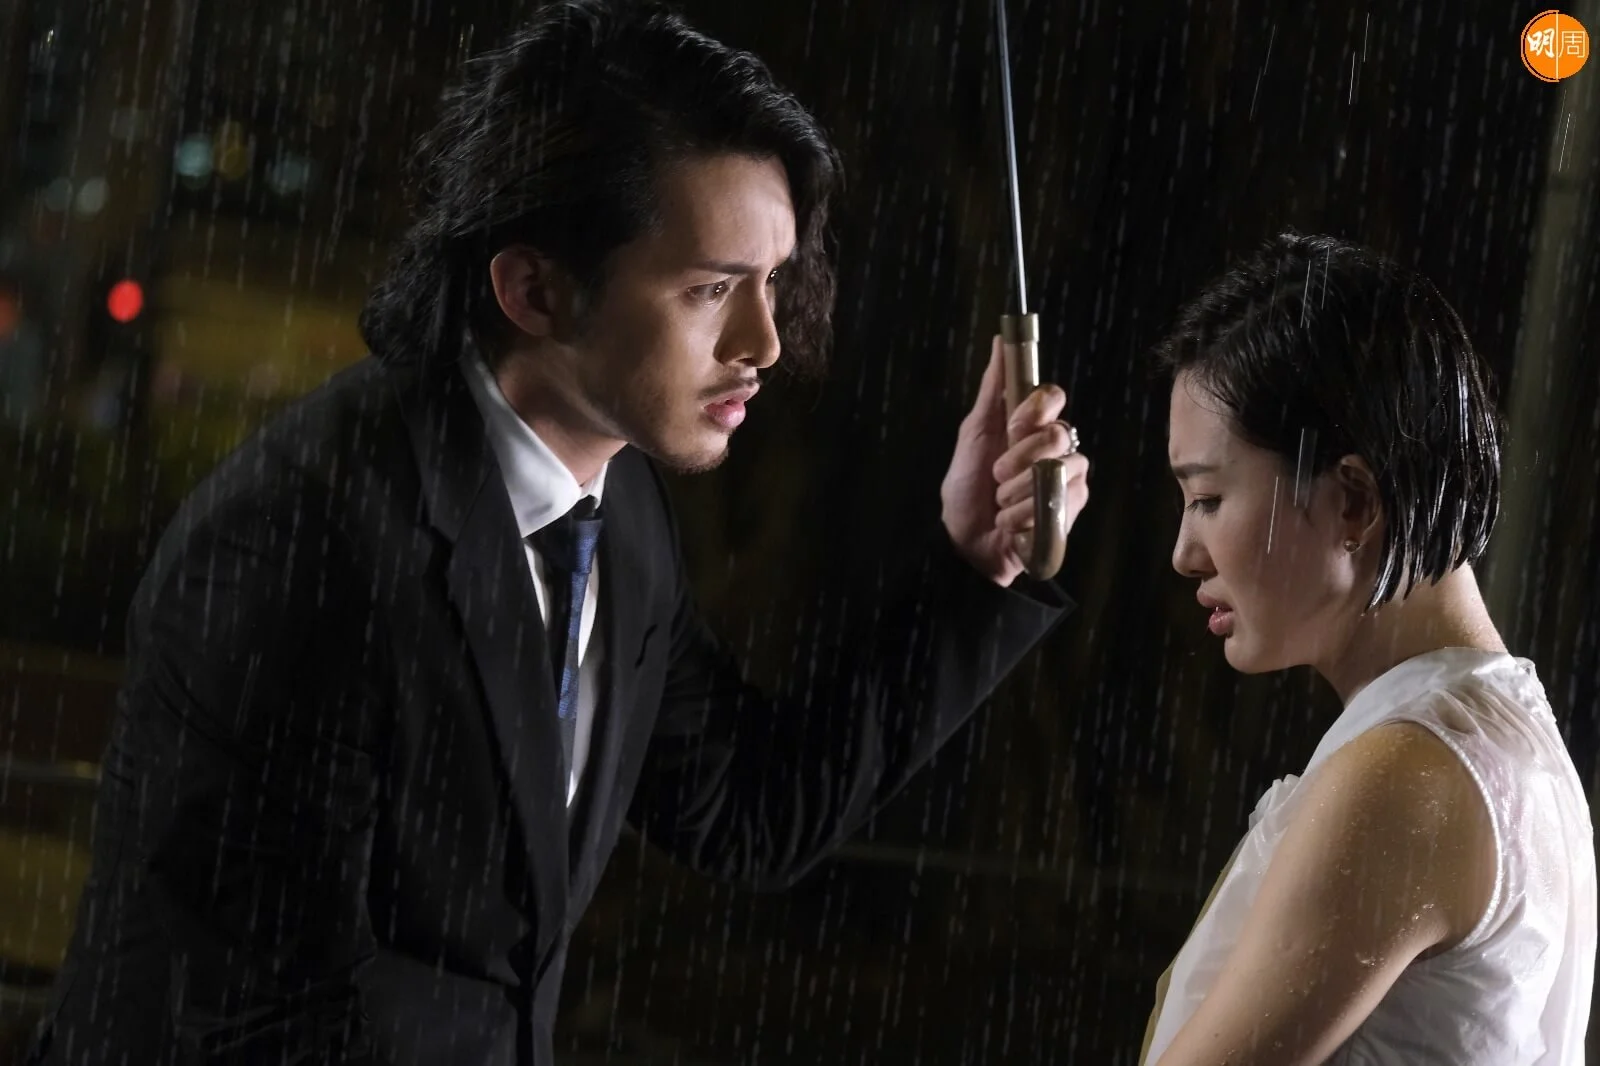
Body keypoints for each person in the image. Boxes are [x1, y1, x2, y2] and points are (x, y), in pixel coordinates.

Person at [26, 2, 1090, 1064]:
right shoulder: (300, 543)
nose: (765, 341)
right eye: (711, 289)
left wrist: (974, 563)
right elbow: (245, 1013)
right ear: (533, 288)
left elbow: (749, 810)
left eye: (772, 282)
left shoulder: (616, 512)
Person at [1143, 231, 1596, 1065]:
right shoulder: (1497, 744)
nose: (1184, 553)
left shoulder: (1407, 774)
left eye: (1207, 498)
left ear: (1352, 501)